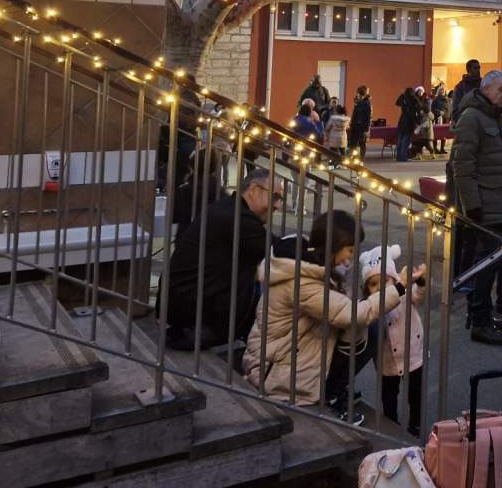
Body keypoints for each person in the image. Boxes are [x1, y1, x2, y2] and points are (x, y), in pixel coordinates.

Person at [244, 209, 387, 410]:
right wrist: (397, 288)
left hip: (289, 355)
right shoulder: (302, 281)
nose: (351, 257)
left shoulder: (310, 264)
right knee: (369, 326)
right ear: (335, 245)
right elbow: (350, 314)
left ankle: (333, 389)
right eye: (350, 250)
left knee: (365, 329)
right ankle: (330, 394)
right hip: (272, 373)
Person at [162, 168, 283, 351]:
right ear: (254, 190)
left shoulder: (229, 208)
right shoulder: (236, 218)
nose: (278, 206)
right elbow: (278, 250)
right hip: (195, 317)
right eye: (275, 197)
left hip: (185, 307)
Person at [448, 70, 502, 344]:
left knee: (489, 262)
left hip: (500, 200)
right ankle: (479, 321)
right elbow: (462, 165)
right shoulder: (472, 118)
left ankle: (481, 314)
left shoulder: (494, 117)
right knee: (485, 264)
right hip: (485, 205)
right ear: (486, 89)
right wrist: (472, 206)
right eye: (501, 89)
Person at [360, 245, 426, 438]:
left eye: (385, 281)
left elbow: (418, 294)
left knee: (415, 393)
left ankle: (415, 424)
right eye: (373, 284)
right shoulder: (370, 306)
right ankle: (391, 424)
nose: (380, 287)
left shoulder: (404, 294)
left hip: (412, 354)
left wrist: (420, 282)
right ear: (366, 289)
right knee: (389, 395)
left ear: (394, 279)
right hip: (386, 360)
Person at [450, 59, 483, 124]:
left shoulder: (484, 85)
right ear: (469, 70)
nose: (478, 70)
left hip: (483, 123)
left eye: (479, 68)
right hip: (467, 123)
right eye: (475, 68)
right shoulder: (460, 87)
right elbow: (455, 111)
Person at [394, 87, 420, 162]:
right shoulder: (413, 99)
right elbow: (420, 105)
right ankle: (403, 157)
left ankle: (399, 157)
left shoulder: (403, 99)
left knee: (400, 141)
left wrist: (402, 95)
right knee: (405, 141)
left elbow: (397, 103)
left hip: (402, 121)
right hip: (409, 122)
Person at [348, 86, 372, 159]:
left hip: (361, 127)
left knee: (361, 143)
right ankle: (353, 157)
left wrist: (366, 129)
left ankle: (361, 159)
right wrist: (352, 124)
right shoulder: (358, 103)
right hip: (355, 126)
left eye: (358, 93)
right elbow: (354, 115)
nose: (357, 95)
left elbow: (368, 117)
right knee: (353, 143)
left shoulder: (366, 103)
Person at [431, 84, 450, 154]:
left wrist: (449, 117)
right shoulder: (436, 99)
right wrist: (439, 112)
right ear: (438, 91)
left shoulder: (447, 99)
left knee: (444, 134)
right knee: (436, 133)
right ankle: (435, 148)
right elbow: (432, 109)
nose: (442, 91)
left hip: (446, 118)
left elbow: (449, 109)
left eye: (443, 90)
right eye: (441, 90)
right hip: (438, 118)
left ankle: (442, 148)